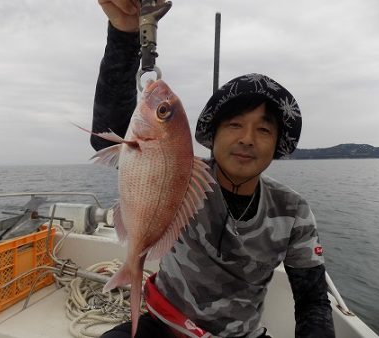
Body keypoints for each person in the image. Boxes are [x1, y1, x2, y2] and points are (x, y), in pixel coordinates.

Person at [91, 1, 336, 337]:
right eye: (234, 124)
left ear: (277, 144)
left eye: (263, 129)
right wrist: (123, 34)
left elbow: (313, 301)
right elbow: (106, 140)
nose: (248, 139)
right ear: (214, 135)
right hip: (163, 326)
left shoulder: (293, 211)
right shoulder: (178, 173)